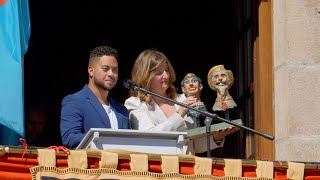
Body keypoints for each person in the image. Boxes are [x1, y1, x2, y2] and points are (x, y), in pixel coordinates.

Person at [124, 49, 238, 155]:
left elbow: (194, 145)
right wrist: (180, 113)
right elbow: (150, 137)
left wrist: (216, 138)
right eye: (159, 72)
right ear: (145, 76)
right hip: (160, 170)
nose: (166, 75)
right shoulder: (135, 103)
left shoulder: (182, 99)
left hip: (188, 168)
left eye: (167, 70)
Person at [60, 45, 131, 149]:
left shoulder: (122, 110)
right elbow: (70, 138)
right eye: (105, 69)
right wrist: (108, 140)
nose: (111, 74)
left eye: (115, 70)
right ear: (91, 71)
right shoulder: (74, 101)